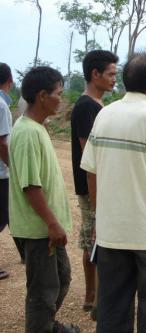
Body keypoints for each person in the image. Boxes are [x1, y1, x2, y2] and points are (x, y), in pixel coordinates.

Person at [81, 51, 146, 333]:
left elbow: (91, 170)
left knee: (112, 312)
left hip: (112, 233)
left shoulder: (105, 114)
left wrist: (100, 217)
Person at [9, 66, 79, 332]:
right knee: (43, 290)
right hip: (39, 230)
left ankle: (47, 325)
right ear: (42, 95)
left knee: (61, 278)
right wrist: (51, 224)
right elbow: (30, 187)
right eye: (58, 94)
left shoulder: (37, 128)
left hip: (46, 229)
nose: (60, 100)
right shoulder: (27, 132)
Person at [70, 50, 118, 313]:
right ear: (95, 74)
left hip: (100, 186)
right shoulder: (86, 107)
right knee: (93, 240)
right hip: (92, 187)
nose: (114, 80)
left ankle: (98, 294)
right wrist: (98, 196)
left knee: (97, 239)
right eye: (110, 74)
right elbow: (90, 156)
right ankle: (92, 296)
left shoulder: (98, 106)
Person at [0, 63, 13, 280]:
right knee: (3, 216)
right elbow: (2, 142)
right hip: (0, 173)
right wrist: (13, 165)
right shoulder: (2, 105)